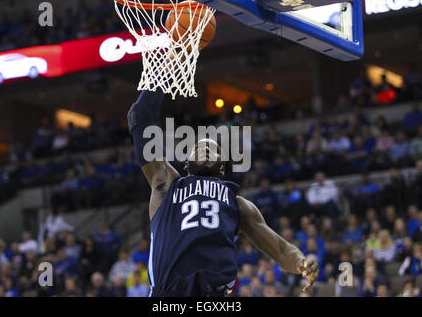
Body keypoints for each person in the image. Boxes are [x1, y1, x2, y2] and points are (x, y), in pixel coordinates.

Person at [127, 90, 319, 297]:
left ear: (222, 168)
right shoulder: (166, 184)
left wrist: (301, 262)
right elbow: (140, 117)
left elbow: (280, 249)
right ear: (186, 164)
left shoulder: (238, 204)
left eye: (213, 149)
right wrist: (161, 73)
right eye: (198, 147)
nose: (206, 149)